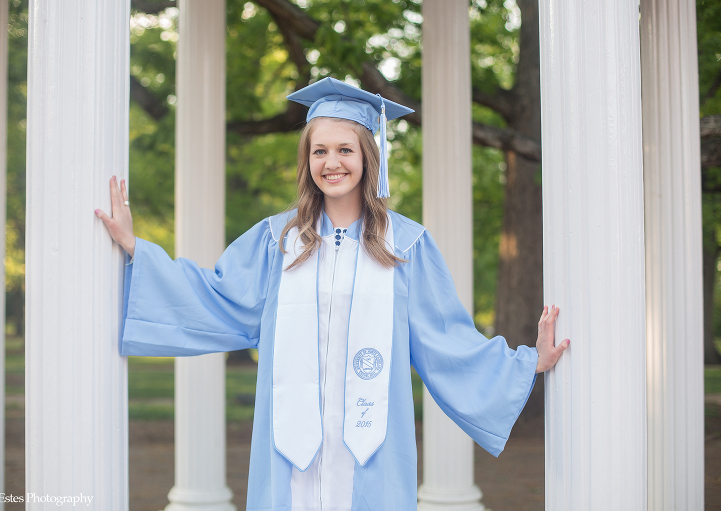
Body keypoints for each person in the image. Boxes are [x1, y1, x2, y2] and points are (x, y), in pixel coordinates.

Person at [95, 77, 569, 511]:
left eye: (345, 149)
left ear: (367, 157)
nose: (332, 163)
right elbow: (216, 296)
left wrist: (528, 362)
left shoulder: (406, 246)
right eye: (319, 151)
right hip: (290, 453)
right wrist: (138, 249)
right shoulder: (275, 241)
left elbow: (445, 338)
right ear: (307, 161)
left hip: (371, 451)